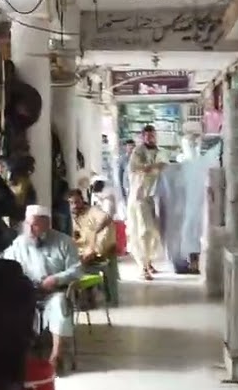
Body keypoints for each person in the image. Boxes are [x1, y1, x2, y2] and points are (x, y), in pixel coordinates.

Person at [1, 205, 82, 371]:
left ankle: (56, 355)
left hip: (54, 293)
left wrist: (56, 279)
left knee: (60, 303)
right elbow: (6, 269)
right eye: (28, 224)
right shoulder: (17, 244)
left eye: (35, 225)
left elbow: (77, 270)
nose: (30, 229)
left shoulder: (64, 242)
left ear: (47, 224)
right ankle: (21, 356)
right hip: (26, 294)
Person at [68, 189, 119, 307]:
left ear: (82, 200)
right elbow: (77, 237)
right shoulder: (75, 217)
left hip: (101, 249)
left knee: (81, 263)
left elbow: (106, 218)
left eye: (77, 202)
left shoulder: (93, 211)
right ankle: (83, 298)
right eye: (71, 203)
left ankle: (88, 299)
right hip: (85, 250)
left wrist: (95, 231)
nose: (74, 206)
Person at [127, 125, 165, 280]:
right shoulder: (137, 152)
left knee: (155, 231)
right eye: (147, 136)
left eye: (152, 135)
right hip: (140, 197)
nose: (150, 138)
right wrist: (154, 167)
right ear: (143, 137)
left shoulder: (159, 152)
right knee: (143, 231)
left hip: (155, 197)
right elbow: (138, 168)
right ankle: (143, 267)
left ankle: (149, 262)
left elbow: (164, 167)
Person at [116, 139, 134, 207]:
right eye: (129, 146)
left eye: (132, 146)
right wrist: (121, 188)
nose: (131, 148)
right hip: (127, 185)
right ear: (126, 147)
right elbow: (119, 175)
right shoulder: (122, 159)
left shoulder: (137, 158)